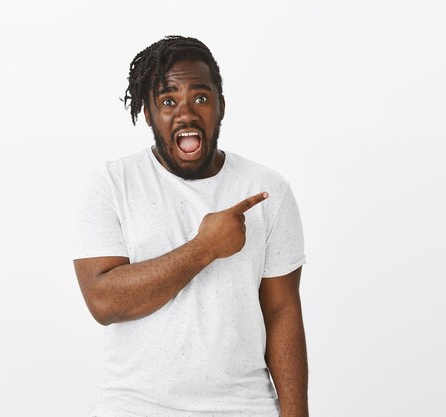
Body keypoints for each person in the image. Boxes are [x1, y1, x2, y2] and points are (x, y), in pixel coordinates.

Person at [73, 35, 308, 417]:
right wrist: (204, 248)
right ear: (147, 113)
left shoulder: (268, 190)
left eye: (200, 98)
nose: (185, 113)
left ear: (221, 106)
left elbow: (282, 310)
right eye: (168, 101)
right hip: (134, 407)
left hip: (244, 406)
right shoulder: (112, 184)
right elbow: (103, 301)